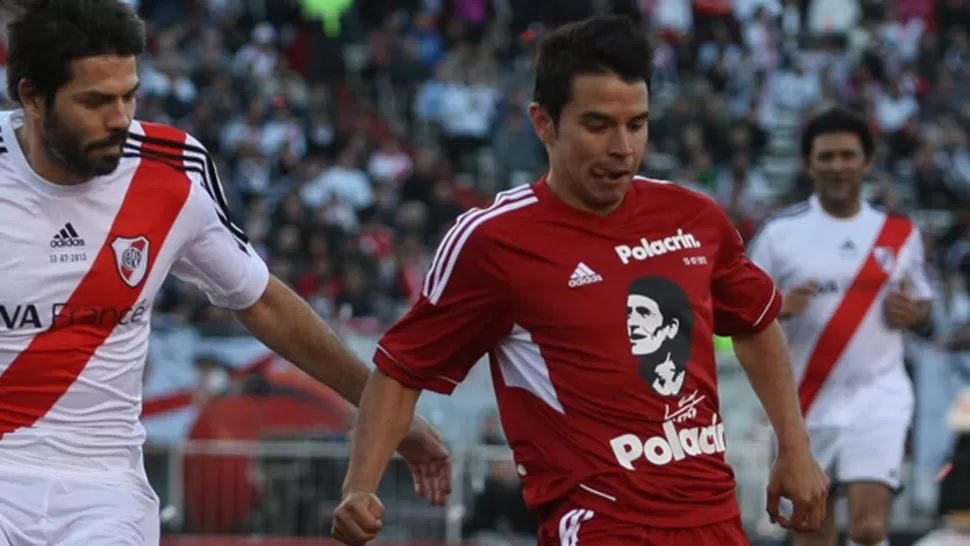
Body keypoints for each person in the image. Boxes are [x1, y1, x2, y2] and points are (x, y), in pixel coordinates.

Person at [333, 15, 829, 546]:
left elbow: (755, 323)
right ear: (544, 123)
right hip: (600, 525)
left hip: (715, 521)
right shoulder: (494, 241)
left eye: (636, 124)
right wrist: (360, 486)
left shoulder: (694, 217)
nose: (623, 147)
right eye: (598, 125)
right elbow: (401, 369)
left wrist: (794, 448)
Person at [0, 1, 450, 545]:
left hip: (104, 491)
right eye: (95, 101)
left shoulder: (171, 166)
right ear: (32, 98)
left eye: (128, 95)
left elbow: (262, 303)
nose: (119, 118)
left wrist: (384, 414)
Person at [748, 106, 934, 546]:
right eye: (827, 156)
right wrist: (778, 306)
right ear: (808, 163)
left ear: (867, 162)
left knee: (870, 530)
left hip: (879, 397)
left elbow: (925, 307)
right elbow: (741, 315)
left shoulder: (899, 233)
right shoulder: (779, 235)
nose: (838, 166)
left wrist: (915, 314)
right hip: (803, 403)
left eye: (848, 155)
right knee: (812, 531)